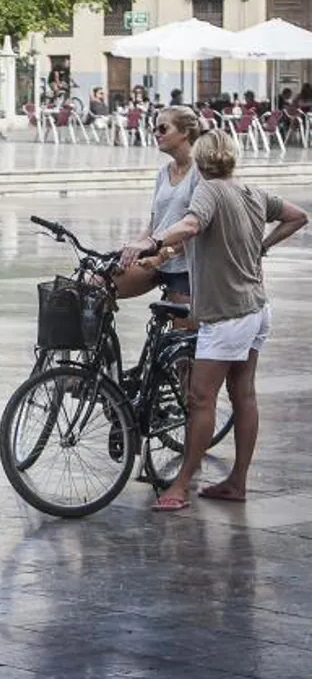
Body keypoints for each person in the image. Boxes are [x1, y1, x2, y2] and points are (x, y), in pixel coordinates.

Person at [124, 129, 307, 512]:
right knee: (244, 394)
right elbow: (297, 216)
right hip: (256, 309)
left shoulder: (206, 189)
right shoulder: (251, 193)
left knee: (200, 398)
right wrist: (263, 246)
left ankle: (181, 485)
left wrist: (151, 242)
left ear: (202, 160)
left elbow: (190, 225)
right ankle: (236, 482)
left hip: (226, 315)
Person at [116, 107, 202, 319]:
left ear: (184, 132)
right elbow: (154, 224)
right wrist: (130, 250)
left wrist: (162, 255)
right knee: (97, 286)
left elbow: (197, 231)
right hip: (154, 260)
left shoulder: (201, 172)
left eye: (163, 128)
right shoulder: (163, 172)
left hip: (186, 266)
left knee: (181, 339)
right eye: (153, 129)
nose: (156, 134)